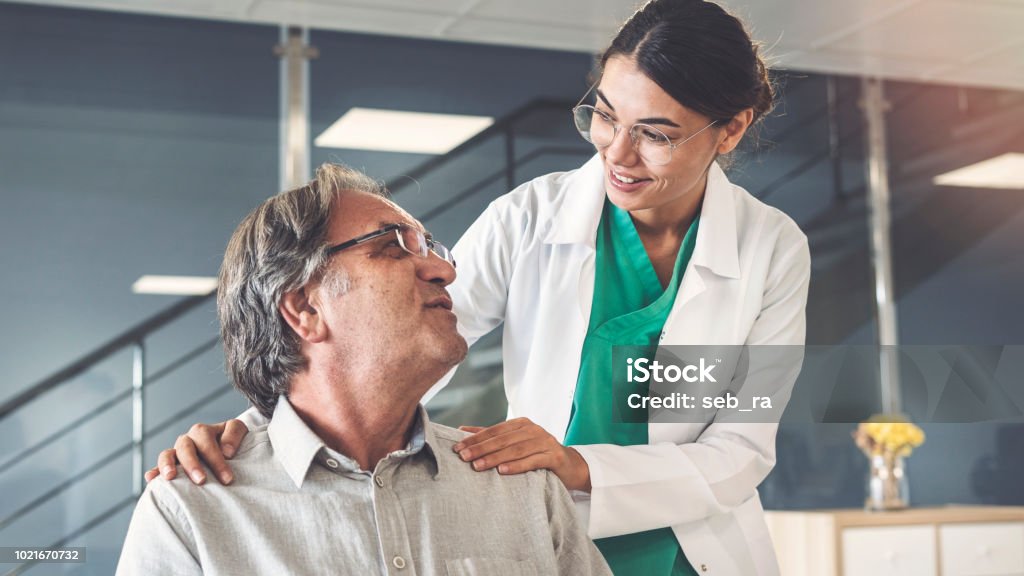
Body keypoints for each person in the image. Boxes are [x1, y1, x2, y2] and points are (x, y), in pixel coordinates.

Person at [150, 1, 810, 574]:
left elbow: (739, 451)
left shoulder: (770, 250)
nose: (616, 154)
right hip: (553, 535)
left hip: (696, 551)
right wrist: (258, 436)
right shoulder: (529, 221)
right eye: (605, 116)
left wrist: (578, 466)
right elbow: (393, 342)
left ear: (731, 128)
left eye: (656, 134)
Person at [118, 165, 611, 575]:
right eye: (394, 247)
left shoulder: (521, 487)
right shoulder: (193, 509)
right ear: (305, 309)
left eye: (430, 249)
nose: (446, 271)